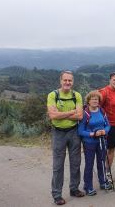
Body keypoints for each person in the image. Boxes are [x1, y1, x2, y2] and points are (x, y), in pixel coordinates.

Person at [47, 71, 84, 205]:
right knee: (58, 165)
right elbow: (53, 116)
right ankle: (57, 195)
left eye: (70, 81)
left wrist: (60, 113)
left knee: (76, 162)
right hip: (58, 133)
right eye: (65, 80)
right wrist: (72, 112)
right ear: (60, 81)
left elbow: (80, 116)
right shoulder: (53, 95)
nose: (67, 83)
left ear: (72, 82)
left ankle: (74, 189)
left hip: (74, 132)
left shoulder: (77, 95)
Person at [77, 91, 112, 196]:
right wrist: (93, 134)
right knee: (89, 165)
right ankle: (88, 186)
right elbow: (80, 131)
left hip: (102, 141)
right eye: (92, 99)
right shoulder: (85, 113)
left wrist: (104, 131)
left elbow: (108, 125)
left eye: (96, 99)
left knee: (101, 163)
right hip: (89, 143)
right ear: (88, 101)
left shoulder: (102, 111)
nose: (95, 101)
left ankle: (103, 182)